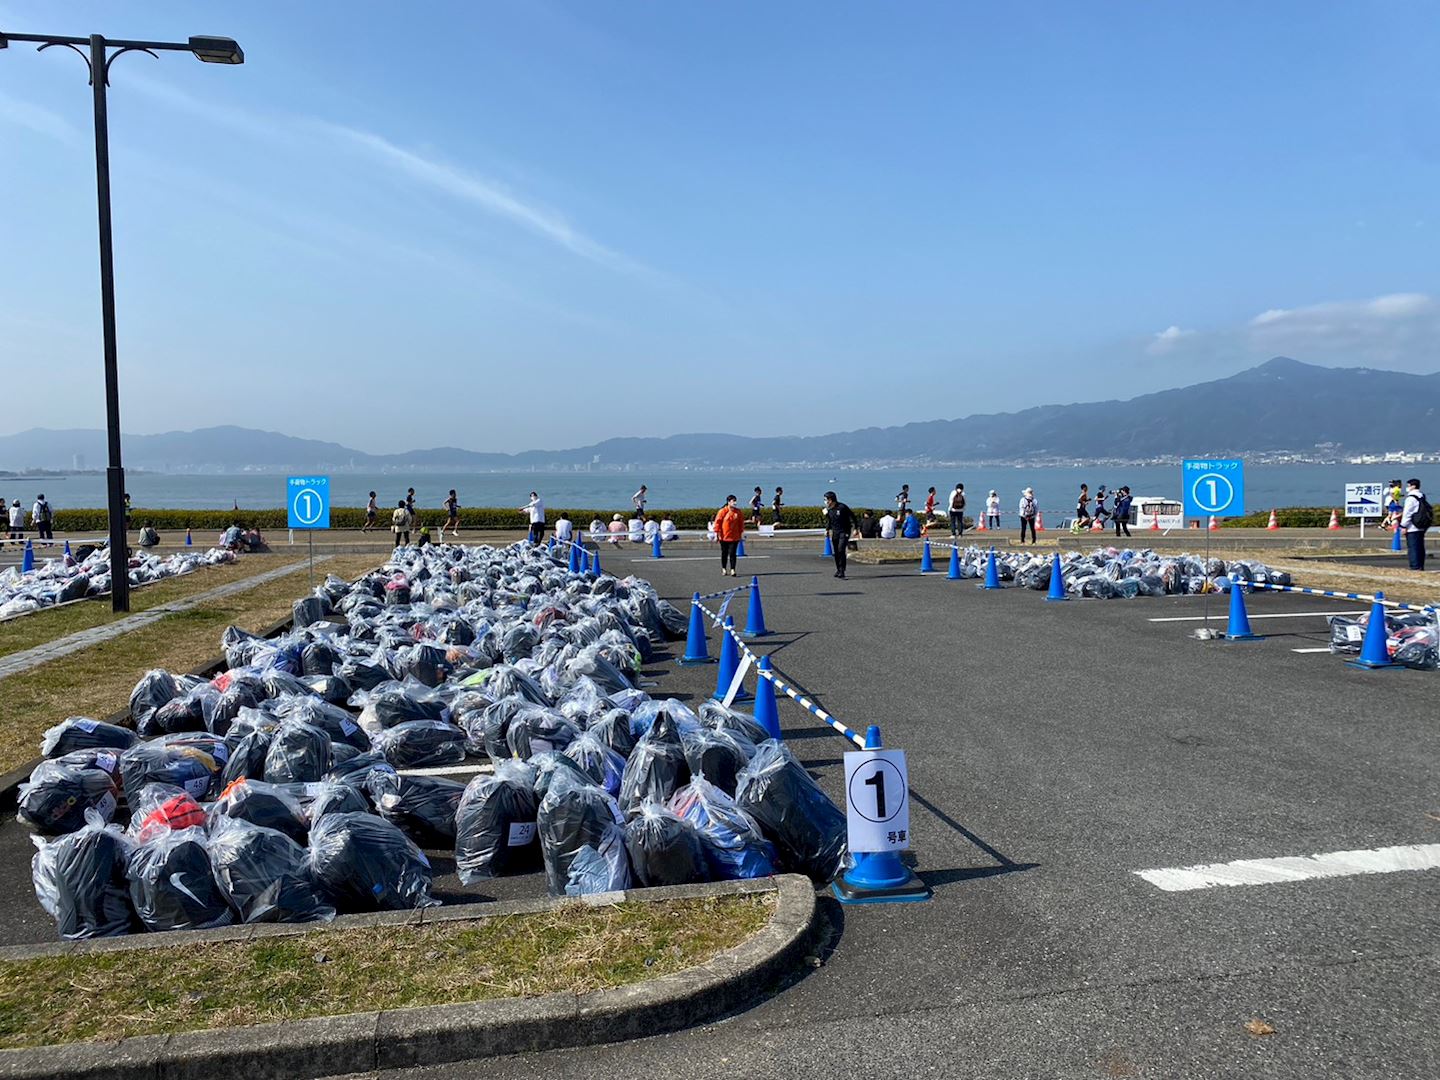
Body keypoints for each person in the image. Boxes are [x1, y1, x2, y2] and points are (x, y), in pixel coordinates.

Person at [823, 491, 855, 579]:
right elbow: (829, 521)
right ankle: (838, 569)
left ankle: (842, 570)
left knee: (841, 550)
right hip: (835, 532)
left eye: (826, 499)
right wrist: (827, 530)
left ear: (831, 499)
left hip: (844, 531)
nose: (825, 501)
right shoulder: (828, 510)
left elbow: (852, 516)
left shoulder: (842, 507)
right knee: (836, 551)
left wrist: (856, 528)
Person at [1400, 478, 1430, 571]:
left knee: (1413, 548)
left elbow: (1407, 513)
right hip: (1421, 525)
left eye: (1408, 486)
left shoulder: (1411, 498)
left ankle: (1415, 566)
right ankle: (1420, 566)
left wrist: (1403, 525)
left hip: (1412, 527)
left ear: (1413, 486)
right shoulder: (1422, 496)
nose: (1407, 488)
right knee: (1420, 547)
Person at [715, 494, 745, 577]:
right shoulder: (722, 511)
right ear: (728, 502)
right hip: (723, 536)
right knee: (724, 553)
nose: (735, 502)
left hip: (734, 536)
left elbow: (741, 523)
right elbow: (717, 522)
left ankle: (733, 569)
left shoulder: (738, 512)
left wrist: (741, 533)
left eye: (735, 500)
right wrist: (717, 533)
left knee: (732, 553)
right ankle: (724, 568)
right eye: (733, 501)